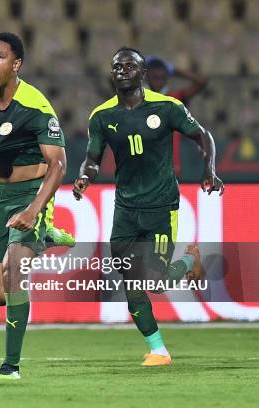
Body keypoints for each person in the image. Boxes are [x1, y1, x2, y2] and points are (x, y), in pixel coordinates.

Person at [73, 47, 224, 367]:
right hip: (125, 209)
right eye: (117, 66)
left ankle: (187, 261)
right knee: (131, 282)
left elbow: (203, 136)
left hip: (160, 206)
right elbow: (92, 158)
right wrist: (85, 177)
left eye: (130, 66)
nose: (123, 70)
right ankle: (159, 350)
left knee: (156, 281)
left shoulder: (167, 107)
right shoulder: (102, 116)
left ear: (143, 74)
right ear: (111, 74)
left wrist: (209, 169)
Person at [0, 32, 67, 380]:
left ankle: (11, 365)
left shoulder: (36, 106)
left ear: (16, 64)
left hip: (29, 193)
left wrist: (34, 209)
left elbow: (59, 165)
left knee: (15, 269)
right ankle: (46, 238)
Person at [145, 56, 208, 174]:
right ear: (146, 77)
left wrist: (175, 70)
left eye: (162, 78)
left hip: (169, 166)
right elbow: (113, 81)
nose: (159, 81)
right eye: (155, 77)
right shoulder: (138, 98)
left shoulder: (174, 97)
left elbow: (201, 81)